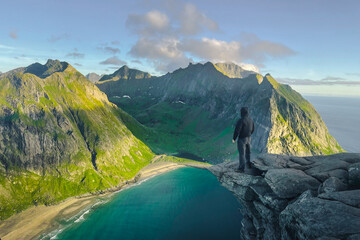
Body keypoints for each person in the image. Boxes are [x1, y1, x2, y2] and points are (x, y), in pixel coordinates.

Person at [232, 107, 255, 172]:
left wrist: (234, 138)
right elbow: (253, 129)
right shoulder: (251, 120)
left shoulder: (241, 120)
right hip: (249, 138)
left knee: (242, 153)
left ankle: (241, 168)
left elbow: (237, 130)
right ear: (247, 113)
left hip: (242, 139)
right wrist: (249, 134)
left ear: (242, 113)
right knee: (248, 152)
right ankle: (248, 165)